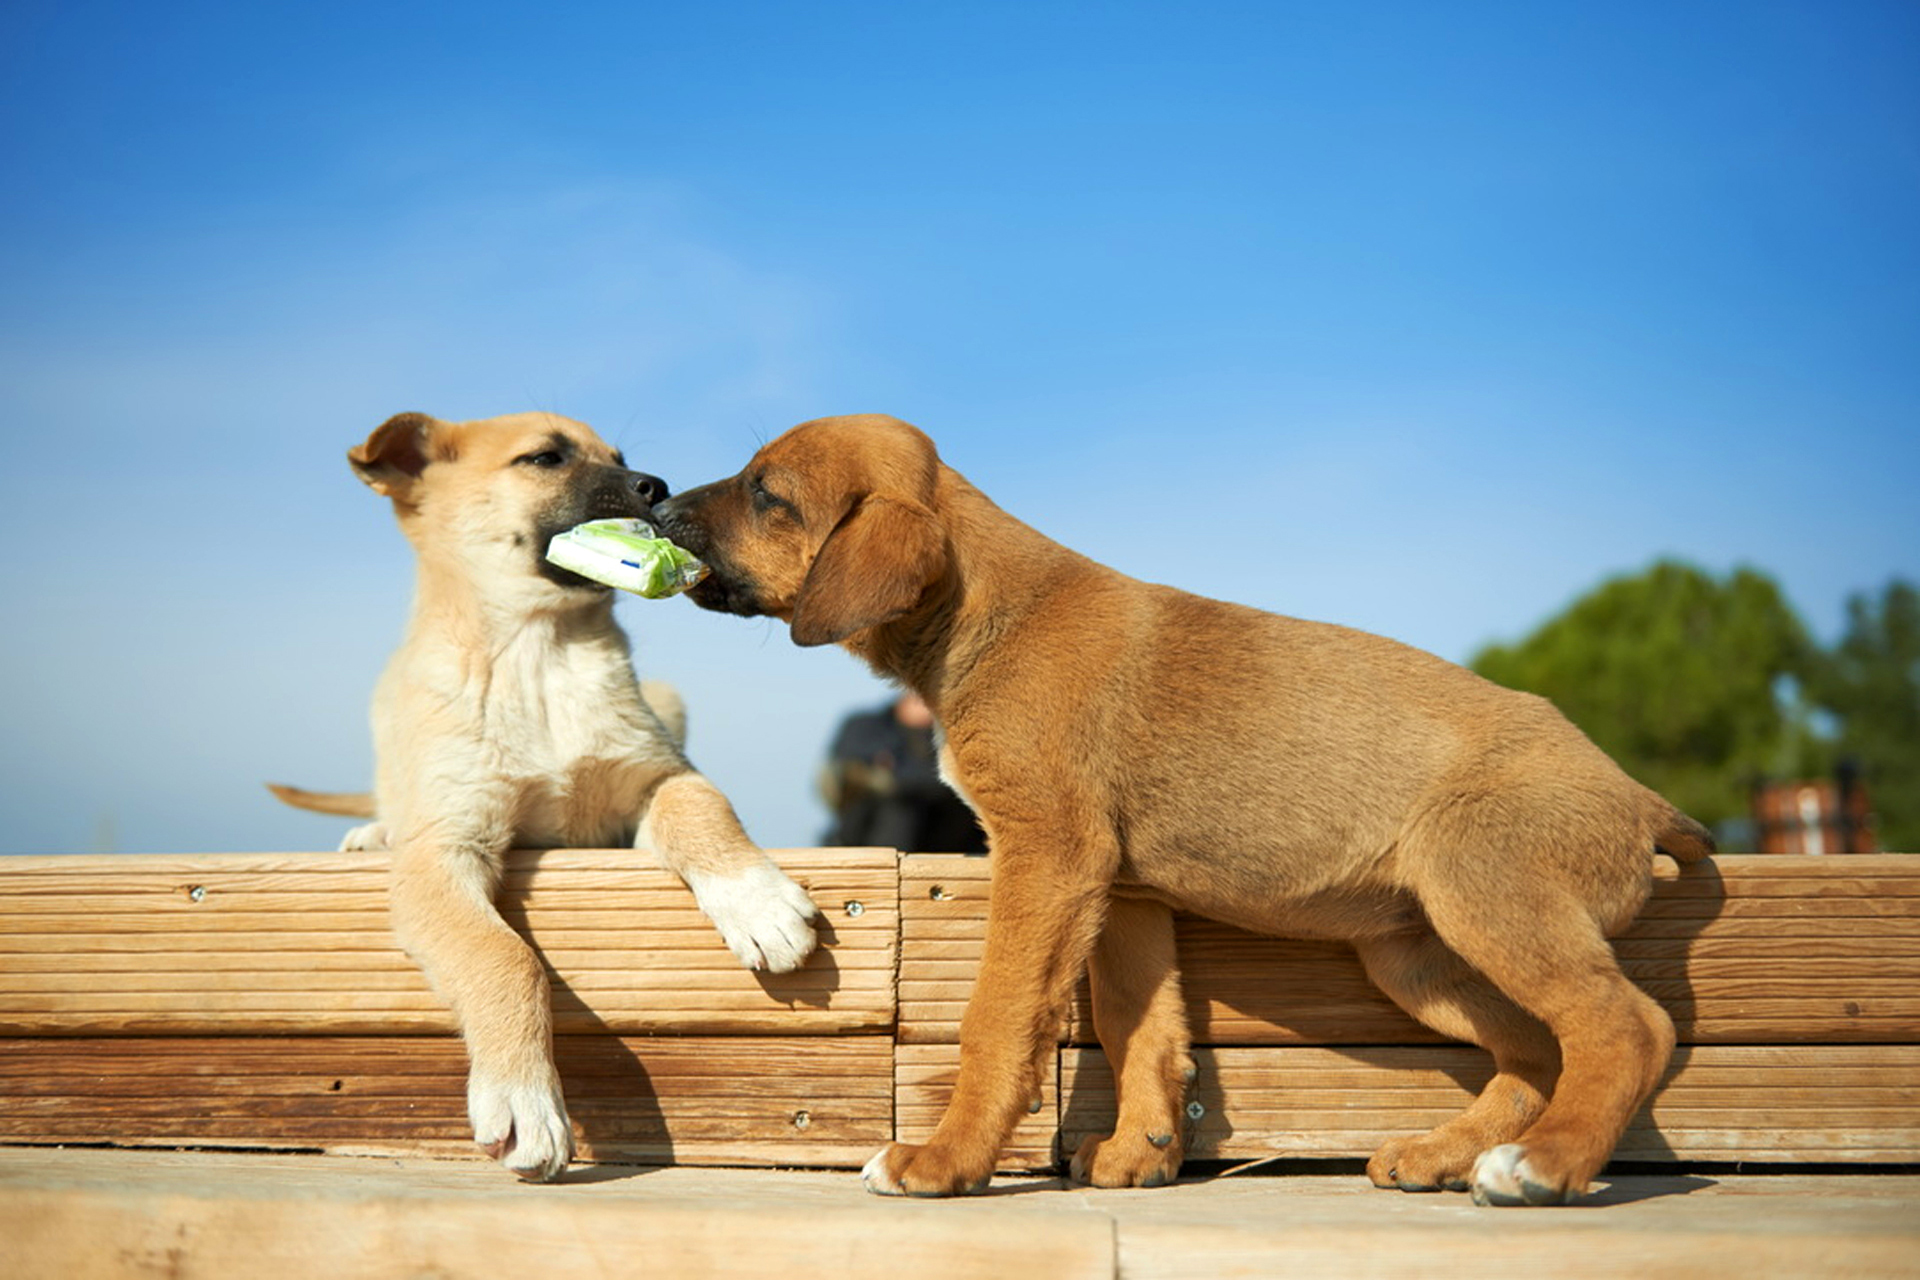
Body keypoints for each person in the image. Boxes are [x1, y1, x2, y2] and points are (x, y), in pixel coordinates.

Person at [820, 692, 988, 853]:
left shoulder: (973, 732)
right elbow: (840, 778)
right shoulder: (864, 726)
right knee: (899, 808)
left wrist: (892, 777)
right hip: (864, 841)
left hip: (951, 841)